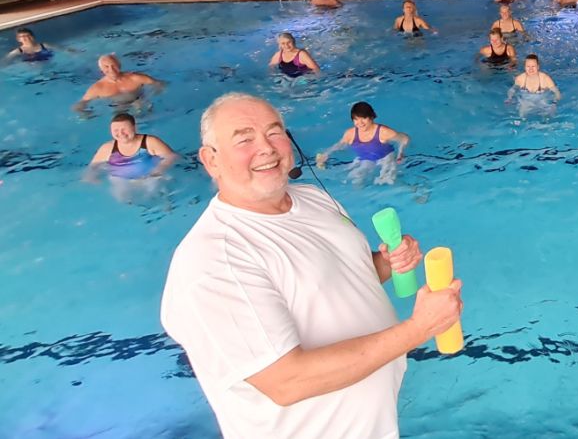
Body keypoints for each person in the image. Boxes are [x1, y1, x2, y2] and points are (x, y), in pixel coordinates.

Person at [160, 93, 461, 439]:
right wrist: (419, 328)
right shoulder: (213, 261)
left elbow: (343, 278)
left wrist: (388, 263)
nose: (267, 148)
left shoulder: (313, 198)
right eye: (244, 139)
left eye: (275, 133)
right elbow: (287, 380)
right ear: (210, 160)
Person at [85, 112, 178, 203]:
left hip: (149, 178)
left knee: (152, 190)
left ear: (134, 127)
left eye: (124, 129)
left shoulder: (149, 142)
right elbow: (93, 166)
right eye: (116, 130)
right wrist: (92, 177)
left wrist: (158, 170)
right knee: (122, 198)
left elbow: (171, 156)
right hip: (121, 181)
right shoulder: (107, 148)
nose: (121, 133)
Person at [316, 101, 410, 186]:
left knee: (389, 180)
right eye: (356, 119)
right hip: (365, 160)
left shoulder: (383, 132)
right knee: (356, 179)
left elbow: (404, 138)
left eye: (363, 118)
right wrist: (326, 154)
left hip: (385, 158)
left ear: (372, 117)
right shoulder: (351, 133)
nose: (360, 123)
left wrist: (400, 152)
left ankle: (415, 191)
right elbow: (340, 145)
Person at [73, 54, 164, 114]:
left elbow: (160, 84)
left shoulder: (136, 78)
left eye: (113, 65)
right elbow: (79, 105)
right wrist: (87, 114)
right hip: (119, 109)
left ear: (119, 65)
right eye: (106, 67)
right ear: (101, 70)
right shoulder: (98, 88)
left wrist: (149, 97)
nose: (111, 70)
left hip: (142, 103)